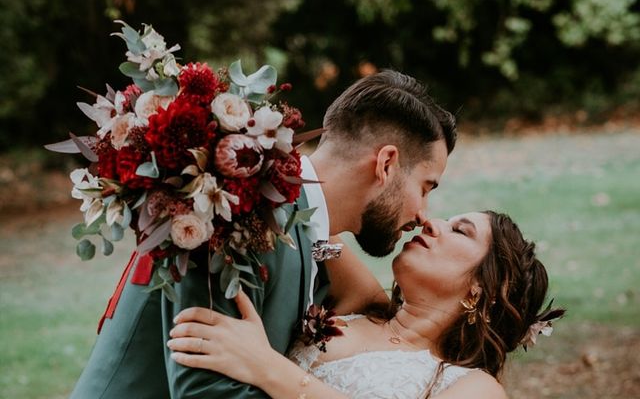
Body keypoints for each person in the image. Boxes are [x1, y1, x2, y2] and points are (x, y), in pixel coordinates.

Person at [69, 70, 457, 398]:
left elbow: (376, 304)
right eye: (425, 187)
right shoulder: (240, 206)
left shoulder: (305, 227)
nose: (423, 215)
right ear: (386, 164)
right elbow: (203, 389)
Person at [167, 211, 565, 398]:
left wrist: (267, 367)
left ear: (485, 288)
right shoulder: (364, 299)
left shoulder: (473, 388)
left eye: (459, 230)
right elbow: (311, 220)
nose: (431, 222)